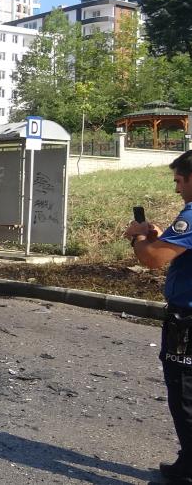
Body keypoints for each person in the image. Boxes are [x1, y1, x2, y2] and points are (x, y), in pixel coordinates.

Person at [125, 149, 192, 484]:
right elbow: (172, 248)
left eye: (180, 180)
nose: (177, 188)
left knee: (184, 395)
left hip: (188, 323)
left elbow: (153, 259)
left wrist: (138, 236)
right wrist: (155, 238)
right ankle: (187, 462)